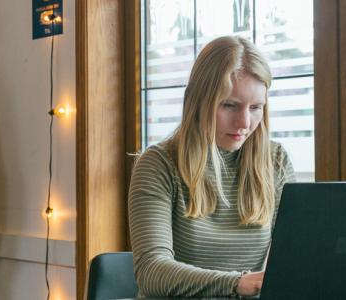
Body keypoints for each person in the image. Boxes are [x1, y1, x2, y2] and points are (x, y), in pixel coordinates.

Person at [127, 36, 296, 298]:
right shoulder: (158, 165)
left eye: (256, 107)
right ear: (198, 101)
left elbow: (296, 255)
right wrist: (238, 283)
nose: (244, 122)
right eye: (230, 105)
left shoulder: (276, 161)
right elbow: (151, 272)